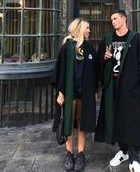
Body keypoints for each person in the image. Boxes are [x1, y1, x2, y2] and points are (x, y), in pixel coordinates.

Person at [95, 10, 140, 172]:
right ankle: (123, 150)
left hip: (129, 87)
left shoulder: (135, 38)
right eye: (111, 19)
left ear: (124, 19)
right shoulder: (108, 39)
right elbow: (99, 61)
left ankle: (133, 157)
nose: (112, 21)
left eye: (115, 18)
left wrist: (138, 86)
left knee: (131, 120)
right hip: (112, 87)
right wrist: (104, 57)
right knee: (116, 118)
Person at [52, 18, 98, 171]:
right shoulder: (67, 47)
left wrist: (94, 90)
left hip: (84, 93)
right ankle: (69, 153)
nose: (89, 31)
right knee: (69, 123)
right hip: (69, 92)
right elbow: (60, 71)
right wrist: (61, 91)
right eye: (87, 28)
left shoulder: (89, 47)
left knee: (82, 122)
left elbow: (95, 70)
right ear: (79, 29)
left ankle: (81, 153)